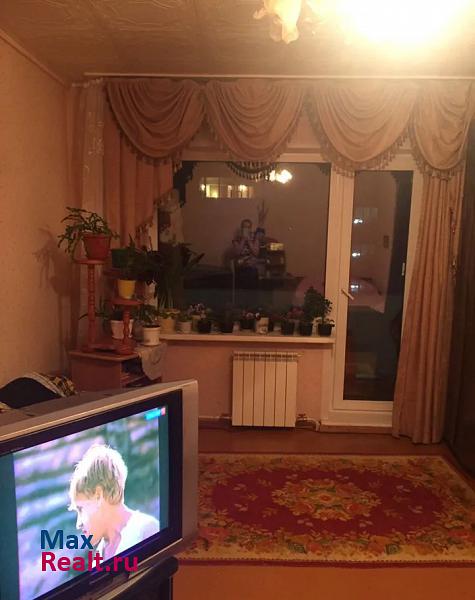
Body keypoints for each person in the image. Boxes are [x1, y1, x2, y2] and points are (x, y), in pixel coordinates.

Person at [69, 444, 160, 561]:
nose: (78, 524)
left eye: (81, 509)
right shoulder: (98, 556)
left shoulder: (145, 529)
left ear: (98, 495)